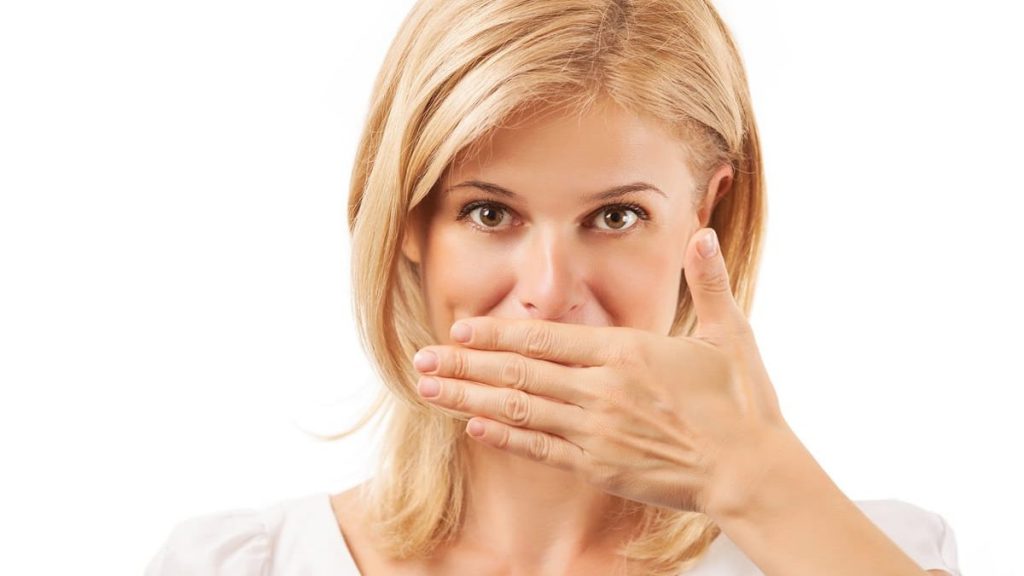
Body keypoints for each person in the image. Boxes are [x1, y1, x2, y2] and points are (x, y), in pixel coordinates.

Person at [144, 0, 961, 574]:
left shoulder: (854, 554)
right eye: (490, 211)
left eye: (614, 218)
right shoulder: (247, 565)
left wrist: (753, 480)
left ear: (705, 215)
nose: (547, 290)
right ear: (408, 225)